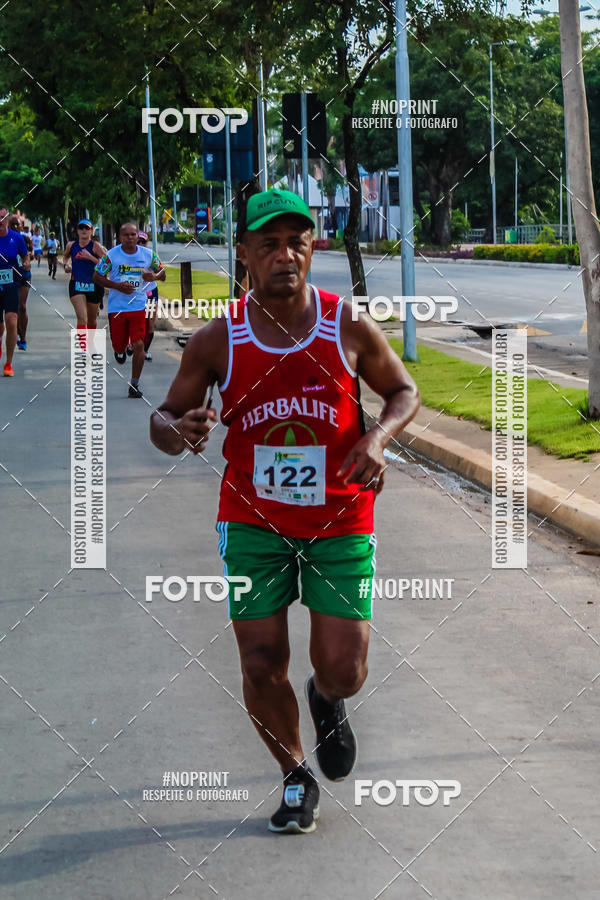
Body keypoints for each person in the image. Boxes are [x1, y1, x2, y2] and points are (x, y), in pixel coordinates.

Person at [150, 189, 420, 834]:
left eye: (296, 241)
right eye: (268, 243)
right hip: (251, 521)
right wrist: (178, 428)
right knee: (259, 660)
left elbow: (404, 390)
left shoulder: (346, 324)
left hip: (340, 518)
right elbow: (163, 420)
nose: (284, 255)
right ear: (243, 254)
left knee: (345, 668)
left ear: (313, 248)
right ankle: (295, 775)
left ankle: (326, 699)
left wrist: (376, 437)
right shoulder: (218, 339)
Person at [93, 222, 165, 398]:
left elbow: (162, 273)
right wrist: (117, 286)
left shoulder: (148, 255)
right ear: (120, 237)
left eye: (133, 234)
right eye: (126, 235)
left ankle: (134, 384)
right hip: (117, 308)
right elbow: (97, 276)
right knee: (118, 345)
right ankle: (120, 350)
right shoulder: (111, 256)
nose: (131, 238)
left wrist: (154, 276)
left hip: (139, 306)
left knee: (139, 344)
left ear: (138, 237)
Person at [0, 205, 30, 376]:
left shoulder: (16, 238)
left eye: (3, 217)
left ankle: (8, 363)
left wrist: (26, 262)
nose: (0, 221)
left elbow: (25, 255)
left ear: (7, 219)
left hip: (11, 284)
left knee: (11, 321)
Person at [63, 219, 107, 329]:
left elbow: (107, 264)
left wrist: (91, 257)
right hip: (76, 284)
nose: (84, 230)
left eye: (87, 228)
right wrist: (66, 265)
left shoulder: (95, 246)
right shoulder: (71, 245)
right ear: (77, 231)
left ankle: (90, 343)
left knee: (91, 320)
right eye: (81, 228)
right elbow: (65, 256)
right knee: (82, 318)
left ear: (91, 231)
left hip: (94, 285)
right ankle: (83, 347)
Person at [9, 216, 32, 351]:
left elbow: (28, 254)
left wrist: (27, 261)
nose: (15, 227)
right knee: (13, 307)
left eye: (17, 225)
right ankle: (16, 331)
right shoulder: (5, 239)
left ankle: (23, 337)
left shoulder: (24, 239)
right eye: (13, 225)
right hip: (10, 276)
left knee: (22, 306)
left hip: (24, 275)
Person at [137, 231, 158, 360]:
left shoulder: (151, 256)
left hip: (150, 292)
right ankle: (131, 344)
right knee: (136, 321)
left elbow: (161, 272)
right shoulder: (126, 256)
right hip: (134, 294)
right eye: (138, 241)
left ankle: (144, 351)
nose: (140, 244)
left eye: (143, 242)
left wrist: (152, 275)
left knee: (150, 322)